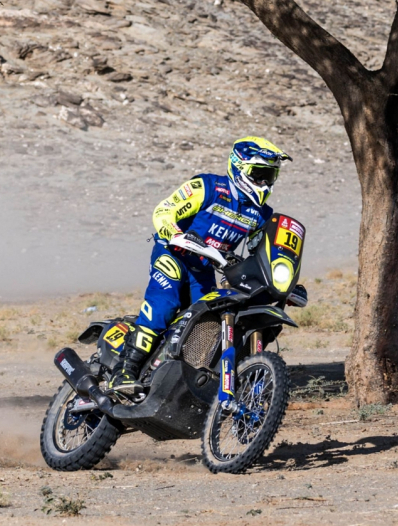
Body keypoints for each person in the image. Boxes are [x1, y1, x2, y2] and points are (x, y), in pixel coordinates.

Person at [109, 136, 291, 394]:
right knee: (165, 305)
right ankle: (123, 371)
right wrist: (175, 234)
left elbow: (261, 252)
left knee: (208, 323)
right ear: (239, 168)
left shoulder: (261, 215)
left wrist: (284, 279)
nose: (263, 182)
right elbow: (163, 211)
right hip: (173, 254)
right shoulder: (208, 186)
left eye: (270, 175)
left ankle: (177, 379)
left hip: (205, 269)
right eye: (258, 173)